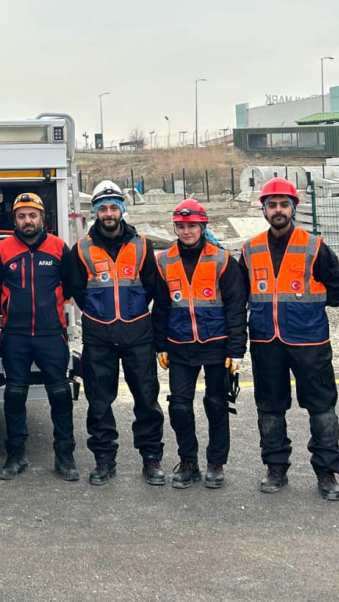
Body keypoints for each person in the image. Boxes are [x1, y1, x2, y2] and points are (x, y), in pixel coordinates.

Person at [238, 178, 339, 501]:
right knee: (270, 408)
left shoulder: (314, 246)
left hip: (310, 342)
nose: (278, 210)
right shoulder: (249, 249)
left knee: (321, 407)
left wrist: (311, 310)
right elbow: (238, 293)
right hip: (266, 342)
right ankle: (275, 468)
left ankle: (327, 472)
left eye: (284, 205)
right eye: (272, 205)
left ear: (293, 209)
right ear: (264, 210)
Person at [68, 181, 167, 486]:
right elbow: (77, 289)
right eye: (103, 208)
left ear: (122, 210)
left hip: (138, 333)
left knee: (147, 400)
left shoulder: (142, 245)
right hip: (98, 336)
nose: (109, 214)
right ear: (96, 212)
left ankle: (151, 459)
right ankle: (103, 460)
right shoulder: (81, 248)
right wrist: (97, 312)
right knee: (99, 402)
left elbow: (153, 287)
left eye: (114, 207)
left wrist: (140, 317)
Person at [153, 199, 248, 489]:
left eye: (192, 225)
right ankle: (188, 462)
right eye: (181, 226)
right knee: (179, 407)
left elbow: (236, 306)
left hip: (217, 345)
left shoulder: (222, 260)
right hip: (180, 345)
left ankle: (216, 463)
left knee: (216, 405)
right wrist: (161, 345)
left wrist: (236, 349)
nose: (186, 231)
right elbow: (161, 307)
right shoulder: (164, 261)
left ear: (202, 226)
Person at [0, 192, 80, 482]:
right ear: (14, 220)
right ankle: (16, 455)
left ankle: (64, 456)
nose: (27, 220)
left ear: (42, 218)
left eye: (32, 215)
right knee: (15, 395)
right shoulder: (2, 250)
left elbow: (70, 285)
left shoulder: (59, 247)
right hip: (15, 335)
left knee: (60, 394)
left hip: (51, 333)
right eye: (21, 216)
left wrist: (49, 308)